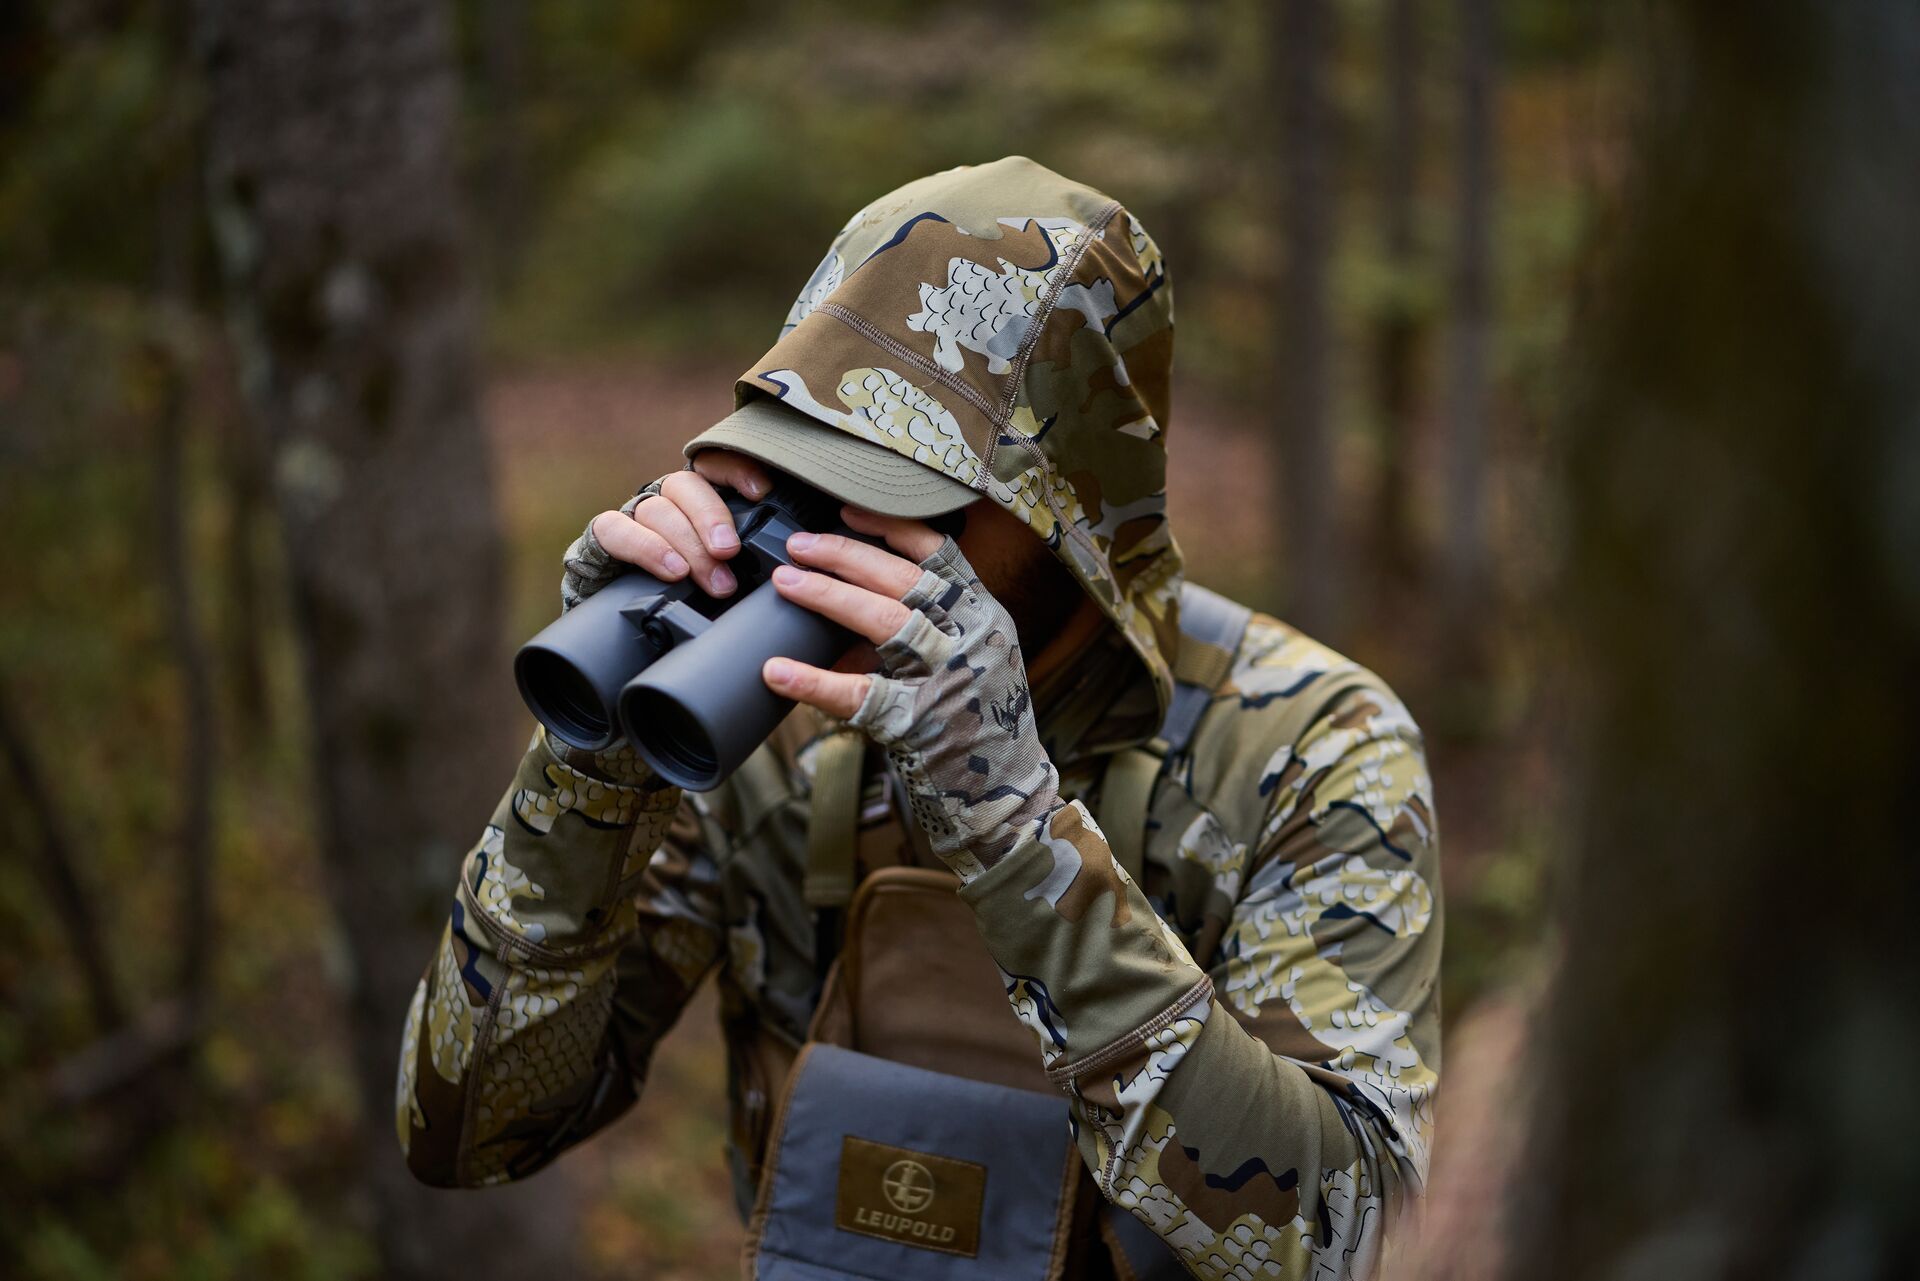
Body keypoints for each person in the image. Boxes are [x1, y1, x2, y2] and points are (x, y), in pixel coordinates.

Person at [396, 156, 1442, 1280]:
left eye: (902, 500)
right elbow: (470, 1134)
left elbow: (1356, 1240)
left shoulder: (1308, 745)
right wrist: (590, 774)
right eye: (800, 474)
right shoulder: (768, 721)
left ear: (1070, 517)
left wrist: (1014, 831)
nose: (824, 543)